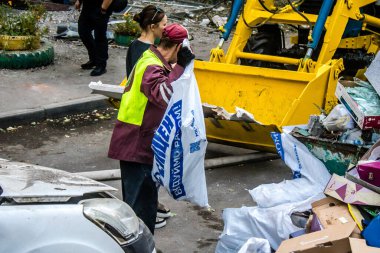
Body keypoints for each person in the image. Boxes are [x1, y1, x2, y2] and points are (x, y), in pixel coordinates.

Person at [108, 23, 195, 234]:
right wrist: (181, 67)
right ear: (177, 47)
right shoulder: (151, 65)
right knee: (139, 213)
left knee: (144, 207)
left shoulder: (153, 60)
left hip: (139, 143)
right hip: (136, 145)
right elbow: (165, 95)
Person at [126, 5, 171, 230]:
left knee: (145, 179)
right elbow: (154, 90)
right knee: (142, 180)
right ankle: (142, 222)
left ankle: (150, 212)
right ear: (153, 27)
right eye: (164, 24)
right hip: (140, 121)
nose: (166, 27)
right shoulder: (147, 53)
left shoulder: (136, 45)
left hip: (139, 120)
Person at [75, 0, 114, 76]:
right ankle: (94, 59)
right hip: (89, 5)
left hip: (103, 5)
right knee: (83, 31)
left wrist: (103, 9)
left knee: (99, 35)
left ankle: (101, 65)